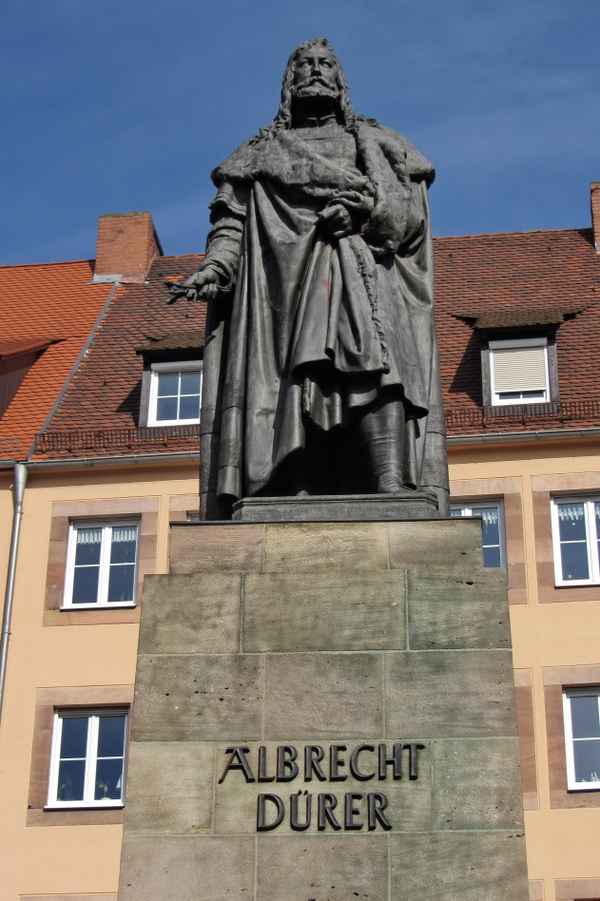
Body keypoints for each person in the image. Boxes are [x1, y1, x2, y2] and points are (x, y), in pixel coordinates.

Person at [172, 37, 448, 518]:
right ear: (289, 83)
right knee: (293, 380)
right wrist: (216, 268)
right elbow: (231, 222)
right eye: (304, 66)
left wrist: (365, 210)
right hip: (286, 290)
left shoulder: (377, 144)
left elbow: (409, 217)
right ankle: (291, 483)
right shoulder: (259, 154)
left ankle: (390, 480)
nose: (315, 72)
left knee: (381, 369)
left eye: (325, 65)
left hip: (365, 275)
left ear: (340, 81)